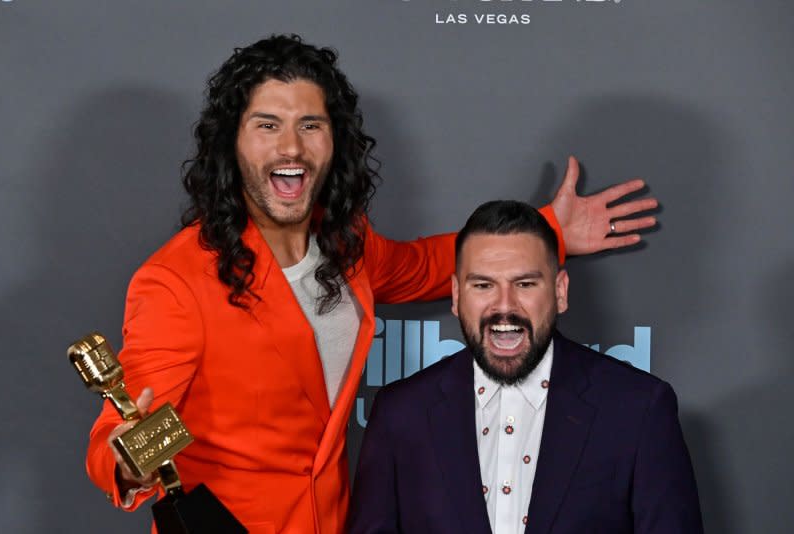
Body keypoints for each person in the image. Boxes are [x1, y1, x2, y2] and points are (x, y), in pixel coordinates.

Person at [85, 35, 659, 533]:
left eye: (311, 125)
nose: (291, 147)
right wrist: (127, 461)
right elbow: (120, 428)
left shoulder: (345, 242)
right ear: (231, 144)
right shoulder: (175, 282)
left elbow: (428, 264)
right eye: (267, 126)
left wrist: (553, 230)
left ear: (335, 143)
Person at [348, 200, 703, 534]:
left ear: (560, 292)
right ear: (456, 296)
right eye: (483, 285)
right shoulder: (401, 413)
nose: (504, 306)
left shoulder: (638, 409)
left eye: (525, 284)